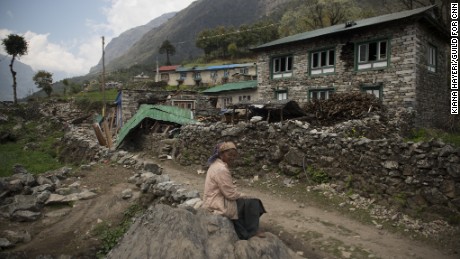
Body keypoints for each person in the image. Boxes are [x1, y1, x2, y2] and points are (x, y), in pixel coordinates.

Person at [202, 141, 266, 240]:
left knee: (246, 203)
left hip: (213, 198)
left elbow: (226, 188)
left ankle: (244, 230)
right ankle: (252, 231)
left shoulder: (216, 165)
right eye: (229, 155)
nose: (232, 157)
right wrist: (243, 195)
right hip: (217, 202)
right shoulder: (221, 169)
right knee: (253, 202)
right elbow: (230, 195)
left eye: (234, 155)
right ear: (222, 154)